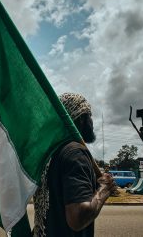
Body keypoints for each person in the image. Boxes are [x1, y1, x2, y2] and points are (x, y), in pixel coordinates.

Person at [32, 93, 117, 237]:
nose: (92, 121)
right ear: (81, 118)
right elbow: (77, 218)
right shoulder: (75, 153)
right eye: (89, 115)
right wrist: (104, 189)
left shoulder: (51, 153)